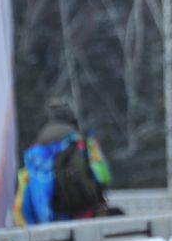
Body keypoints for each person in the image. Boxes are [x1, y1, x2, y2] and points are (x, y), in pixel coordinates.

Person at [14, 96, 112, 226]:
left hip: (46, 226)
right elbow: (103, 177)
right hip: (82, 219)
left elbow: (23, 204)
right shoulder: (82, 144)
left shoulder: (34, 153)